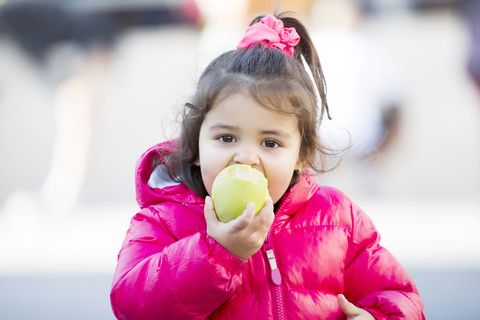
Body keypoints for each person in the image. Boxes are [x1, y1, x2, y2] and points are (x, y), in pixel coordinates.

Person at [110, 13, 425, 319]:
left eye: (270, 143)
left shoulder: (338, 219)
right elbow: (131, 304)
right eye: (226, 137)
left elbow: (399, 296)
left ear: (302, 155)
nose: (246, 157)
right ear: (194, 147)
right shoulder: (164, 222)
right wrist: (216, 253)